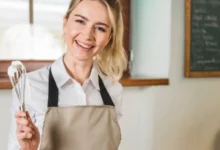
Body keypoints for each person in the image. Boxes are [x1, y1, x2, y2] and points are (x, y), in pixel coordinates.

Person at [8, 0, 127, 150]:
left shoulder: (113, 89)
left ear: (109, 37)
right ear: (65, 22)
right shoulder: (29, 86)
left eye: (100, 28)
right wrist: (28, 148)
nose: (87, 35)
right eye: (80, 21)